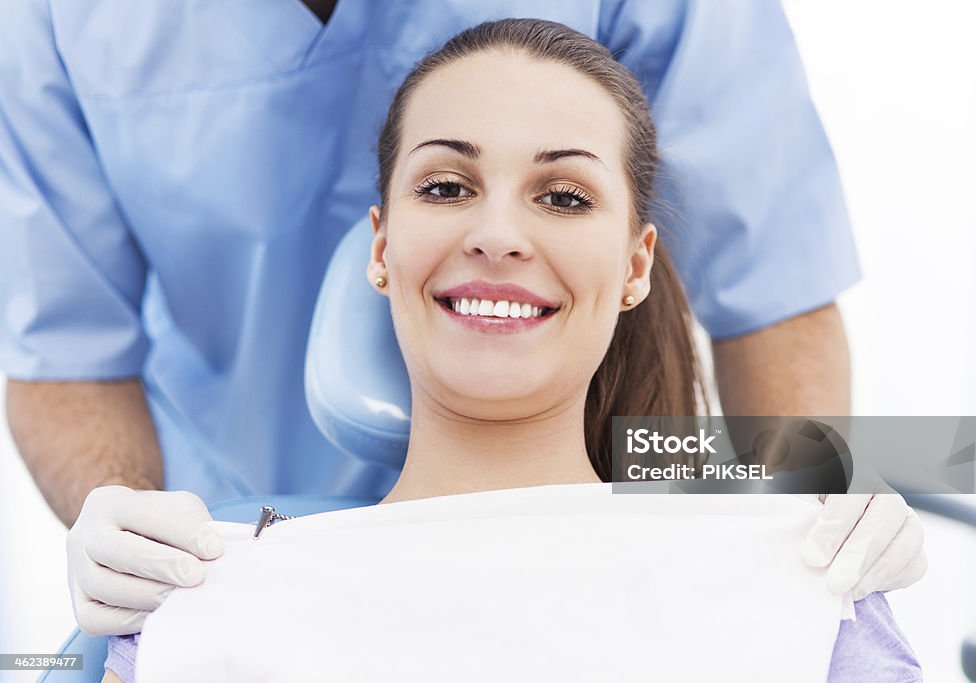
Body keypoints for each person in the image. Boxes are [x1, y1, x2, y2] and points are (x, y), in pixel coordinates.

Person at [0, 1, 923, 637]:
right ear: (379, 246)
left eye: (562, 195)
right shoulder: (191, 645)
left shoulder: (743, 634)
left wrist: (801, 529)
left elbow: (772, 285)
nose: (496, 235)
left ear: (637, 263)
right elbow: (62, 342)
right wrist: (132, 536)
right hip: (226, 536)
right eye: (445, 186)